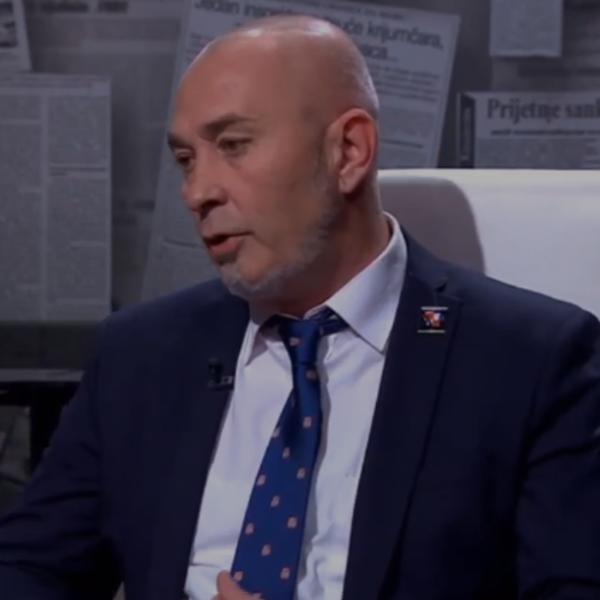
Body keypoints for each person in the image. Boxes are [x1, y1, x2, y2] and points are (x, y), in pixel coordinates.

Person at [1, 15, 599, 600]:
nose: (197, 192)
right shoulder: (139, 355)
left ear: (349, 151)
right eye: (187, 160)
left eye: (233, 145)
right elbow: (31, 570)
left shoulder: (532, 361)